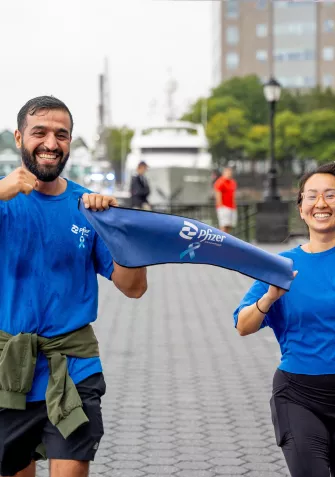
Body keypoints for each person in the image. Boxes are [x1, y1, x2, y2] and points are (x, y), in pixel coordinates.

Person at [0, 96, 147, 477]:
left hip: (73, 365)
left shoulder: (87, 206)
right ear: (18, 138)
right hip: (7, 367)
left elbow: (133, 288)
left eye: (61, 135)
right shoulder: (3, 201)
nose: (51, 143)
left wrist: (120, 232)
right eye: (40, 133)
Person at [233, 141, 335, 477]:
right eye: (311, 196)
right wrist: (269, 297)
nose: (320, 203)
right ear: (301, 209)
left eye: (330, 194)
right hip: (299, 397)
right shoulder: (281, 264)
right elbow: (242, 324)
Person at [214, 166, 237, 233]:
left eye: (230, 172)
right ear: (224, 172)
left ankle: (227, 241)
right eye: (227, 172)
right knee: (223, 225)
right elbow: (218, 195)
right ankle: (222, 242)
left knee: (229, 225)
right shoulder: (220, 182)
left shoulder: (233, 182)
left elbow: (233, 195)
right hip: (224, 207)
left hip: (232, 207)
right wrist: (221, 207)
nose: (229, 173)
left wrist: (234, 206)